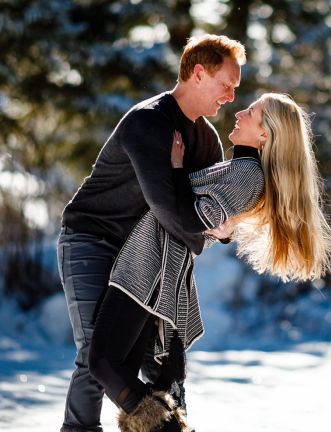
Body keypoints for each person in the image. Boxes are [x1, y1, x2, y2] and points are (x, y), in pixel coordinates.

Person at [88, 93, 331, 432]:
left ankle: (168, 428)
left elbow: (192, 217)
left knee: (105, 363)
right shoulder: (243, 168)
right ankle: (168, 425)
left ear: (265, 135)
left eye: (251, 112)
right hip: (153, 264)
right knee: (124, 367)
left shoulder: (247, 175)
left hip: (150, 268)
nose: (239, 112)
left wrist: (178, 169)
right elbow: (211, 216)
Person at [57, 34, 246, 432]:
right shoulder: (149, 121)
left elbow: (210, 205)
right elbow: (167, 208)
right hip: (94, 239)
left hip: (145, 256)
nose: (230, 97)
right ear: (199, 73)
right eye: (226, 85)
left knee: (149, 358)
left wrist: (225, 228)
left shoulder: (206, 139)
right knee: (98, 353)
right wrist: (204, 233)